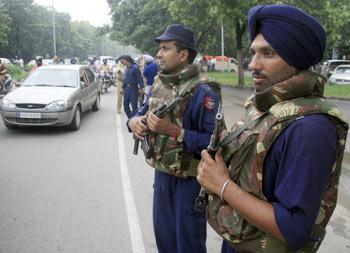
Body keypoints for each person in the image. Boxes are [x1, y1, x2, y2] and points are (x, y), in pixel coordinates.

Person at [197, 4, 349, 253]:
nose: (253, 64)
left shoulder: (309, 128)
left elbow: (294, 229)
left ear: (296, 60)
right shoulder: (268, 106)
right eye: (253, 52)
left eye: (268, 53)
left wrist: (222, 185)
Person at [128, 24, 221, 253]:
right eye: (160, 48)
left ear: (183, 54)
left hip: (189, 183)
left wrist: (174, 131)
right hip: (162, 176)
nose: (158, 54)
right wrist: (134, 123)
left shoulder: (204, 91)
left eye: (165, 48)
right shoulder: (160, 83)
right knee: (165, 241)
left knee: (188, 244)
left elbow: (216, 142)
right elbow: (140, 113)